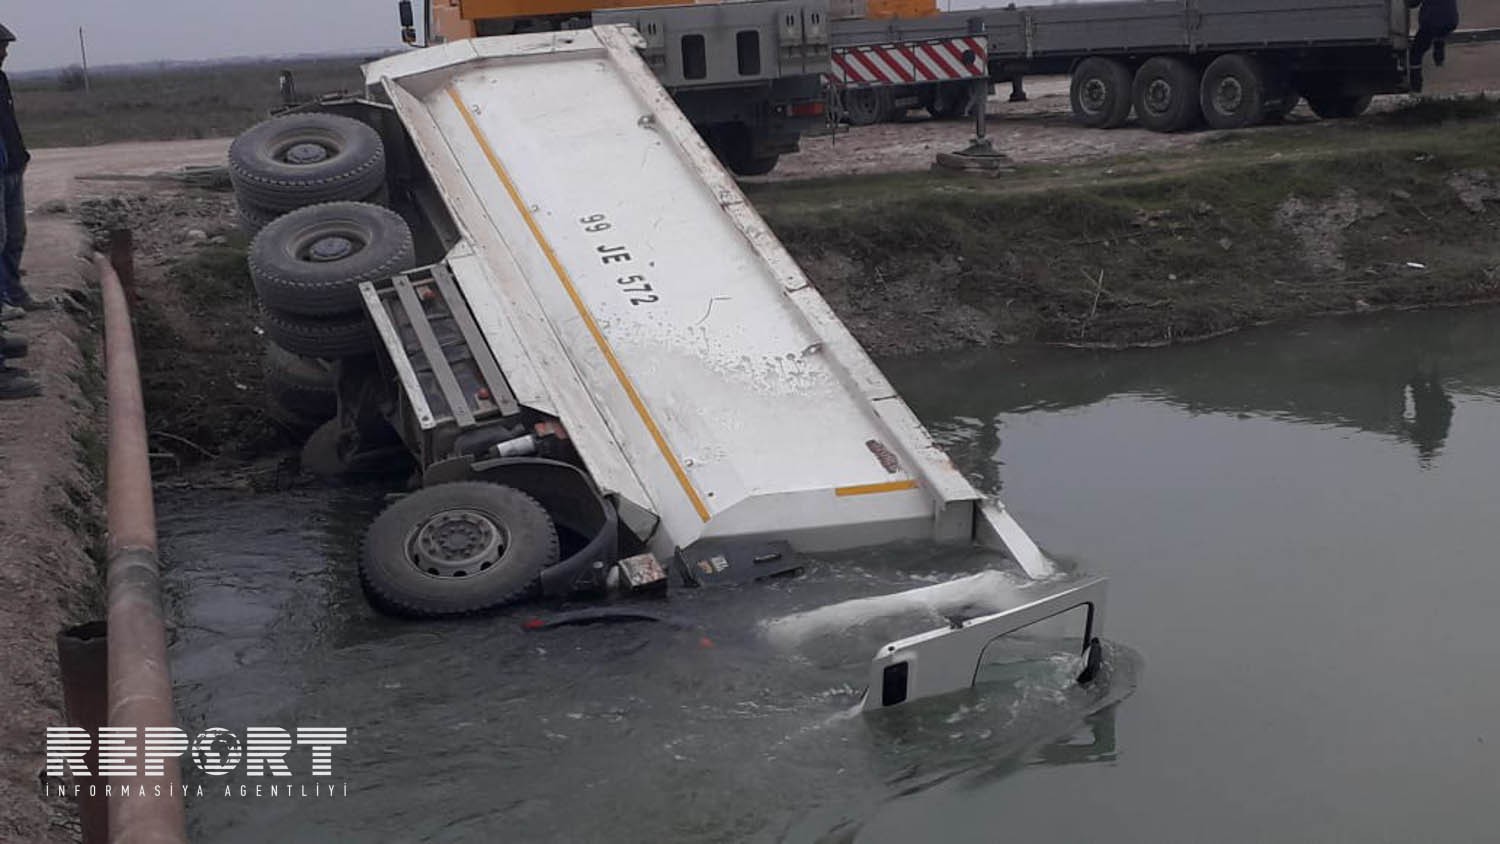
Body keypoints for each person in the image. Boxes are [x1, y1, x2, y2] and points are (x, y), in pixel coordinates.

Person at [0, 23, 38, 399]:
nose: (5, 51)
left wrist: (19, 157)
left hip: (10, 166)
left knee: (12, 235)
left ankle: (11, 294)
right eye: (1, 45)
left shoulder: (1, 81)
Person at [1410, 0, 1460, 89]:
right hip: (1451, 19)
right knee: (1441, 30)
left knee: (1416, 52)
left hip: (1431, 21)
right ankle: (1439, 57)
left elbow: (1413, 3)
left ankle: (1416, 84)